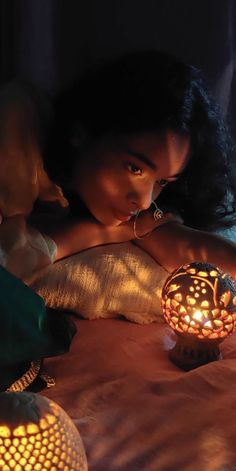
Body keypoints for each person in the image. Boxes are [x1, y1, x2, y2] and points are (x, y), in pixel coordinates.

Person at [30, 49, 236, 279]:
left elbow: (186, 245)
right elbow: (12, 258)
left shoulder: (142, 216)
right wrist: (101, 232)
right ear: (81, 132)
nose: (145, 201)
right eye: (135, 169)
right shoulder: (20, 158)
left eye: (162, 182)